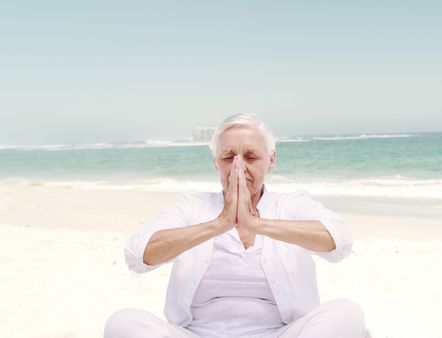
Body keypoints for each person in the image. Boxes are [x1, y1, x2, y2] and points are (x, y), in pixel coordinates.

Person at [104, 113, 368, 338]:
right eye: (228, 157)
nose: (238, 166)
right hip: (197, 333)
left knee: (347, 312)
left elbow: (340, 241)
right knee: (123, 323)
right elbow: (137, 256)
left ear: (271, 160)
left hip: (280, 333)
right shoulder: (191, 207)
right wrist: (219, 224)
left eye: (251, 156)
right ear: (215, 163)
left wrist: (256, 223)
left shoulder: (291, 205)